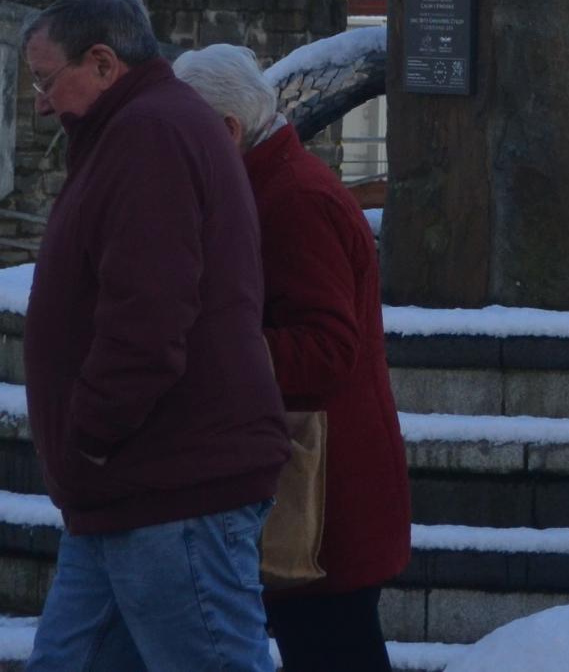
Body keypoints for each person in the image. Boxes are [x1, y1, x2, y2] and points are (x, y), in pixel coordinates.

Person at [20, 0, 288, 672]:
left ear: (104, 62)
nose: (41, 101)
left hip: (169, 489)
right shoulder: (136, 128)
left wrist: (92, 435)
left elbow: (149, 313)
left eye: (47, 80)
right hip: (129, 490)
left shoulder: (148, 135)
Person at [175, 45, 409, 672]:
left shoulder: (293, 201)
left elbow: (329, 349)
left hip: (323, 498)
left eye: (183, 135)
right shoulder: (271, 187)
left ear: (227, 131)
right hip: (312, 491)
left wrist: (210, 348)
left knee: (333, 649)